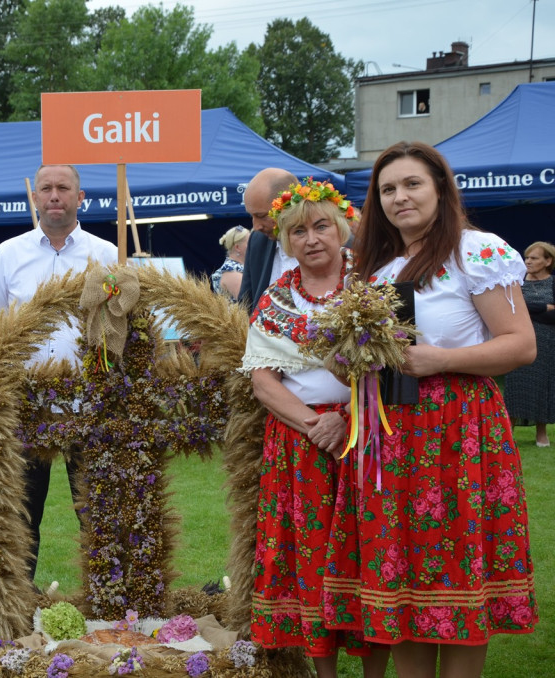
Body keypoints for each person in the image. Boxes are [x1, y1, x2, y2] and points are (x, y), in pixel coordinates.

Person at [324, 142, 537, 678]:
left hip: (458, 432)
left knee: (457, 574)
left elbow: (520, 345)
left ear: (440, 188)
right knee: (404, 582)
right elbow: (370, 359)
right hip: (388, 434)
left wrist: (440, 359)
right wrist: (346, 359)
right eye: (388, 189)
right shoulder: (373, 267)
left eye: (412, 184)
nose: (400, 198)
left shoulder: (476, 251)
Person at [242, 180, 388, 678]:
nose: (311, 238)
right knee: (309, 557)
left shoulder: (374, 287)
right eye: (297, 230)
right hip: (302, 444)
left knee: (371, 555)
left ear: (341, 226)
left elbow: (396, 365)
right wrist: (315, 424)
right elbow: (264, 382)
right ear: (284, 241)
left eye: (321, 225)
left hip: (370, 436)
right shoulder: (275, 301)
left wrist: (348, 418)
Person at [0, 164, 118, 587]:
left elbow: (126, 324)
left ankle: (107, 606)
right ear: (35, 197)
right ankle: (17, 608)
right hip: (24, 407)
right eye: (47, 188)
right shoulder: (9, 253)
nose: (55, 195)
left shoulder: (107, 254)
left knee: (97, 514)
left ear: (80, 197)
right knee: (20, 517)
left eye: (64, 188)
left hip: (89, 406)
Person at [503, 241, 555, 447]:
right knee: (516, 385)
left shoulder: (553, 283)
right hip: (518, 341)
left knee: (543, 385)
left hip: (547, 343)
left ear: (548, 261)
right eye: (527, 257)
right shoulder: (517, 282)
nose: (528, 261)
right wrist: (544, 307)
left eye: (534, 258)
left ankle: (541, 433)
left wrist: (527, 309)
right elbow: (510, 307)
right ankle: (509, 431)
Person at [238, 168, 300, 312]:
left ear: (289, 205)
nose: (256, 226)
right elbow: (245, 305)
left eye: (262, 215)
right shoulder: (257, 241)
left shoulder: (334, 244)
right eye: (252, 216)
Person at [210, 225, 249, 299]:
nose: (253, 245)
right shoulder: (232, 271)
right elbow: (247, 304)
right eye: (249, 242)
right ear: (237, 247)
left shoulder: (236, 268)